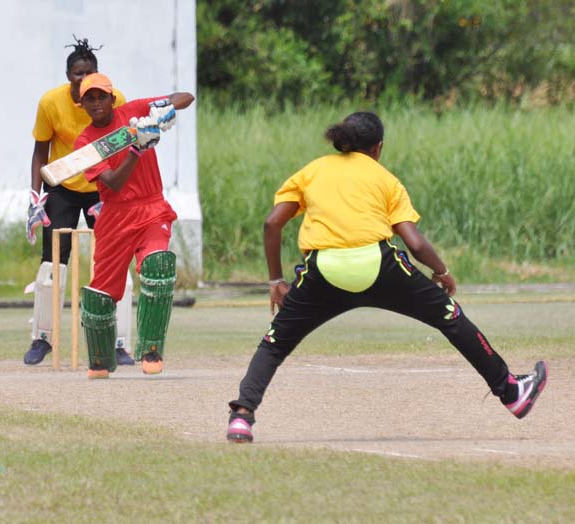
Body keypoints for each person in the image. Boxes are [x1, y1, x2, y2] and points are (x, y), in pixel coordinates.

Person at [226, 111, 548, 443]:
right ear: (378, 148)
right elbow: (415, 242)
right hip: (379, 266)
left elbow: (271, 223)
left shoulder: (313, 171)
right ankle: (511, 392)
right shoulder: (385, 179)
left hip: (324, 270)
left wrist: (276, 280)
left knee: (275, 344)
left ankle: (242, 416)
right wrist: (442, 272)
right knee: (451, 318)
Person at [74, 73, 194, 378]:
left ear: (113, 99)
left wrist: (162, 111)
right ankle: (100, 359)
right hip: (114, 215)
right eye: (91, 98)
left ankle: (151, 350)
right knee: (101, 293)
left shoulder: (134, 112)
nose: (97, 103)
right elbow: (113, 183)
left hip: (152, 207)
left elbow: (186, 97)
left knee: (157, 267)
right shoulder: (86, 143)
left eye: (102, 97)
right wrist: (136, 150)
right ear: (82, 104)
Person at [25, 36, 136, 368]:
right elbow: (40, 153)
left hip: (102, 188)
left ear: (97, 75)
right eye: (76, 73)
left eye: (88, 73)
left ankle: (118, 342)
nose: (82, 79)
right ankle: (42, 338)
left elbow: (122, 152)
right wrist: (36, 197)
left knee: (115, 262)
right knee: (53, 264)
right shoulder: (50, 103)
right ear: (68, 75)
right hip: (63, 188)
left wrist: (116, 197)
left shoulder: (115, 101)